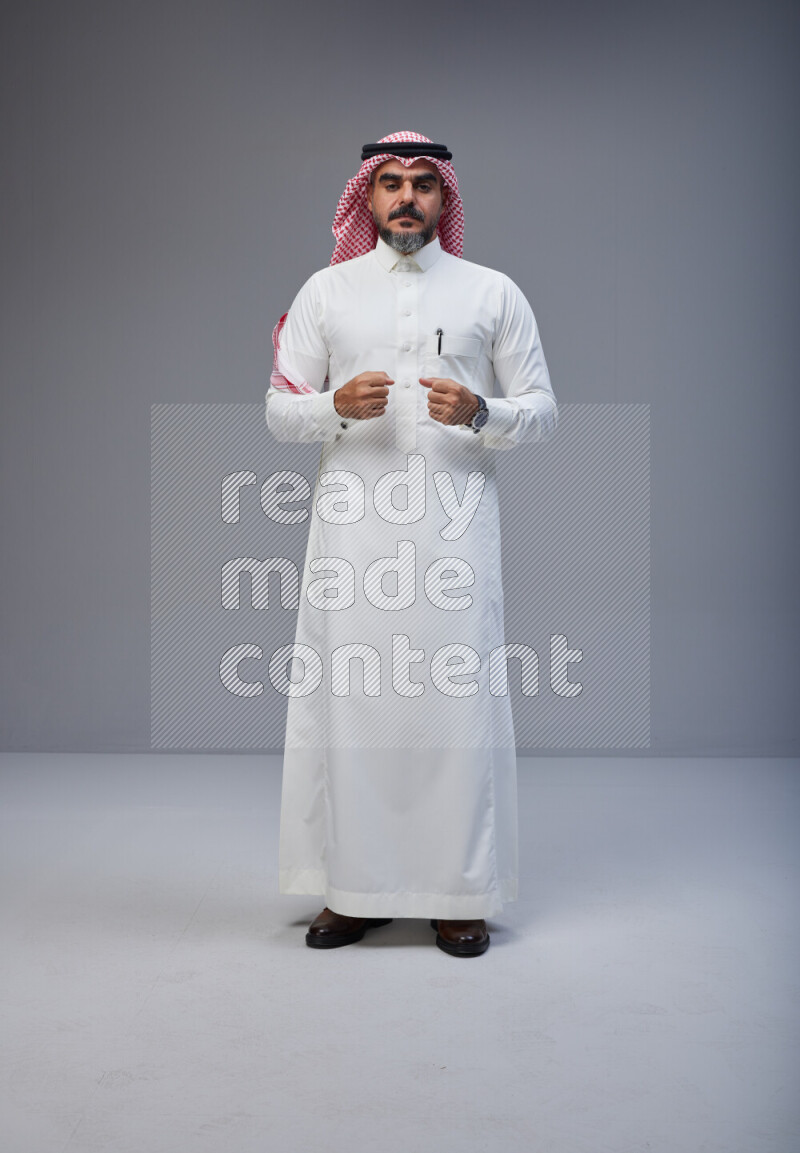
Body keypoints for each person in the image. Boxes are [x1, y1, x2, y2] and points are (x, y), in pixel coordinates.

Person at [265, 131, 557, 957]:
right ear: (365, 196)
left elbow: (542, 409)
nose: (405, 198)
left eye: (423, 184)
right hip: (352, 539)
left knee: (452, 706)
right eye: (389, 182)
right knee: (351, 706)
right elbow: (278, 411)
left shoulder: (491, 292)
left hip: (456, 537)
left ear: (444, 198)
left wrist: (480, 413)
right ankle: (352, 892)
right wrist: (331, 407)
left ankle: (457, 893)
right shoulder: (327, 292)